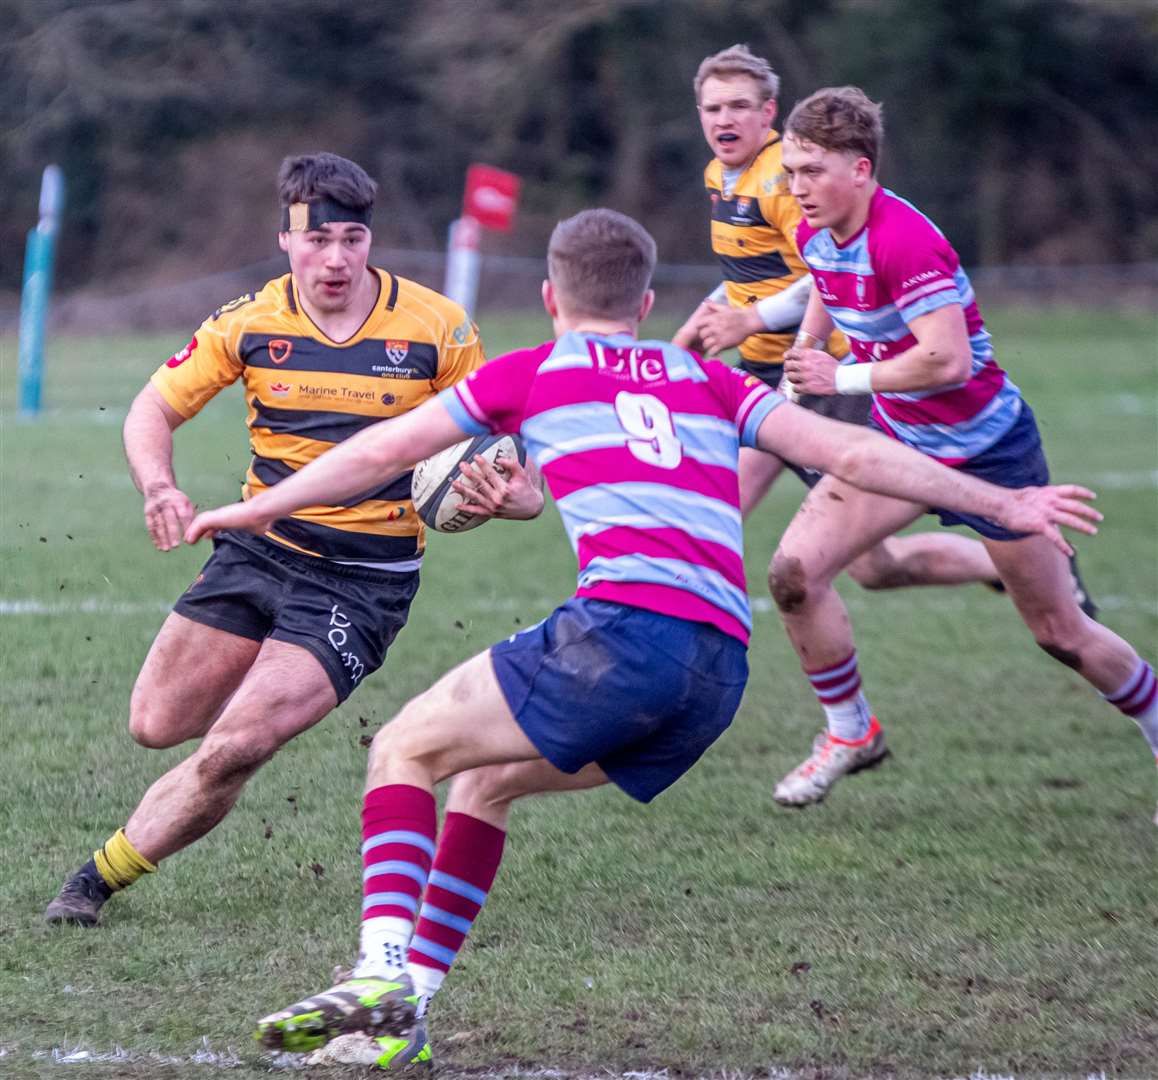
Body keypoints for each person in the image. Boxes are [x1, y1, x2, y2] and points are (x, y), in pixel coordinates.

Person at [183, 209, 1099, 1066]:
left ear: (550, 298)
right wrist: (1003, 500)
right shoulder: (708, 377)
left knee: (401, 748)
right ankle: (408, 1017)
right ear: (649, 304)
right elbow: (853, 453)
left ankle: (378, 970)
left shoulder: (531, 372)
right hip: (717, 672)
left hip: (621, 636)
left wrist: (251, 507)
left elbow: (377, 454)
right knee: (486, 783)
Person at [43, 152, 543, 929]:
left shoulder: (439, 328)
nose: (336, 259)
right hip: (256, 552)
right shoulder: (250, 321)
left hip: (363, 581)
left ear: (371, 239)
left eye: (352, 238)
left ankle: (93, 881)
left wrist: (514, 499)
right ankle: (243, 724)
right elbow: (152, 407)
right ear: (286, 240)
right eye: (318, 241)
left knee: (234, 747)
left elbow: (514, 470)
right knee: (155, 724)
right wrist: (159, 485)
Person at [765, 86, 1158, 810]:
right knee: (795, 573)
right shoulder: (816, 228)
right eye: (791, 170)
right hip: (897, 443)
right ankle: (851, 732)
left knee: (1061, 633)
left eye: (811, 170)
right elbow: (825, 280)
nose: (797, 187)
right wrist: (807, 344)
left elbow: (947, 361)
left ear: (861, 168)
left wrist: (839, 373)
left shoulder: (904, 238)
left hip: (989, 449)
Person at [672, 44, 1009, 606]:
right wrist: (693, 333)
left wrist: (754, 319)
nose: (724, 119)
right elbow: (748, 274)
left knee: (864, 565)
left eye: (738, 106)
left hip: (822, 379)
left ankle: (1009, 558)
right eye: (712, 108)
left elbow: (819, 275)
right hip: (765, 375)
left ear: (768, 113)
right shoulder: (721, 175)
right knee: (717, 517)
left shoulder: (783, 182)